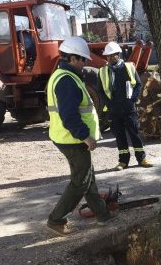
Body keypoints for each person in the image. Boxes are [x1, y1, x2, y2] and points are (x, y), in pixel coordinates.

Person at [45, 36, 112, 236]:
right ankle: (56, 219)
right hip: (72, 139)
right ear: (72, 58)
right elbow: (69, 116)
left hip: (68, 137)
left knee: (87, 177)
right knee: (81, 181)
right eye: (83, 60)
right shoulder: (66, 80)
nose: (84, 64)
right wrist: (86, 137)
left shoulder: (64, 75)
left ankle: (103, 214)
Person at [98, 42, 152, 171]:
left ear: (118, 55)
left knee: (134, 134)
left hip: (129, 108)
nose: (110, 58)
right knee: (120, 136)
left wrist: (132, 100)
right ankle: (123, 161)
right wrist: (109, 104)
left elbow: (138, 85)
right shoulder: (103, 71)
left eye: (113, 56)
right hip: (114, 109)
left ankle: (141, 158)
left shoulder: (129, 68)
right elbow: (100, 91)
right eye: (108, 56)